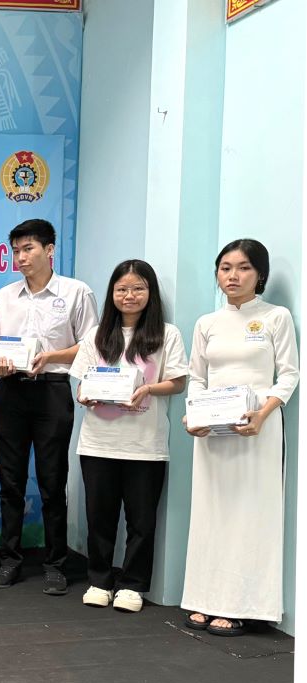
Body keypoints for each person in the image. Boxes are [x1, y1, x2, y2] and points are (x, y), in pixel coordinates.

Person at [182, 239, 298, 636]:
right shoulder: (206, 323)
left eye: (244, 268)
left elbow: (289, 375)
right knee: (211, 513)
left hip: (256, 431)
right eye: (225, 267)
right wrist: (193, 416)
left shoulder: (275, 317)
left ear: (259, 275)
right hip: (211, 433)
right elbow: (196, 377)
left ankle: (244, 605)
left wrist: (263, 414)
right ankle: (204, 598)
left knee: (251, 516)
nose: (233, 276)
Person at [0, 219, 98, 595]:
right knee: (10, 482)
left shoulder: (75, 292)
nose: (20, 257)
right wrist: (0, 363)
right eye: (15, 250)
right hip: (10, 391)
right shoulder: (4, 296)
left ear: (50, 250)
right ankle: (10, 560)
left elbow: (91, 345)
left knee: (52, 481)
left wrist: (51, 355)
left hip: (52, 390)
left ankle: (55, 564)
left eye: (28, 249)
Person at [70, 260, 187, 613]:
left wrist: (147, 389)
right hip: (98, 442)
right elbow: (81, 384)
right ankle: (100, 580)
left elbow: (178, 381)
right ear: (112, 294)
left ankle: (133, 585)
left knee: (141, 520)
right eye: (122, 289)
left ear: (150, 292)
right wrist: (85, 395)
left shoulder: (167, 334)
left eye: (138, 288)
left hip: (146, 445)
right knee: (100, 517)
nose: (129, 295)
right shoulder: (95, 335)